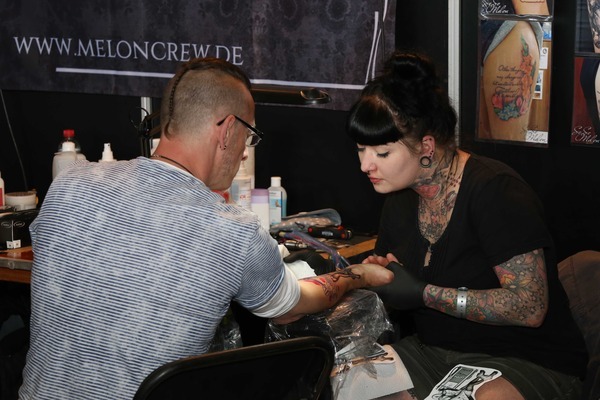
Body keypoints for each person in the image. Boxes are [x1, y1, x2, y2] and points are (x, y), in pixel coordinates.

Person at [18, 57, 393, 400]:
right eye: (248, 136)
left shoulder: (69, 185)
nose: (244, 152)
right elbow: (293, 308)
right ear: (228, 130)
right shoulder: (233, 231)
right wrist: (358, 275)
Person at [346, 51, 588, 399]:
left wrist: (424, 294)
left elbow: (530, 306)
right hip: (434, 352)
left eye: (381, 153)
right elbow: (396, 296)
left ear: (426, 146)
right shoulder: (399, 198)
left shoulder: (495, 191)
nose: (365, 166)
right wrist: (384, 283)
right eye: (360, 150)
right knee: (348, 382)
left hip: (523, 357)